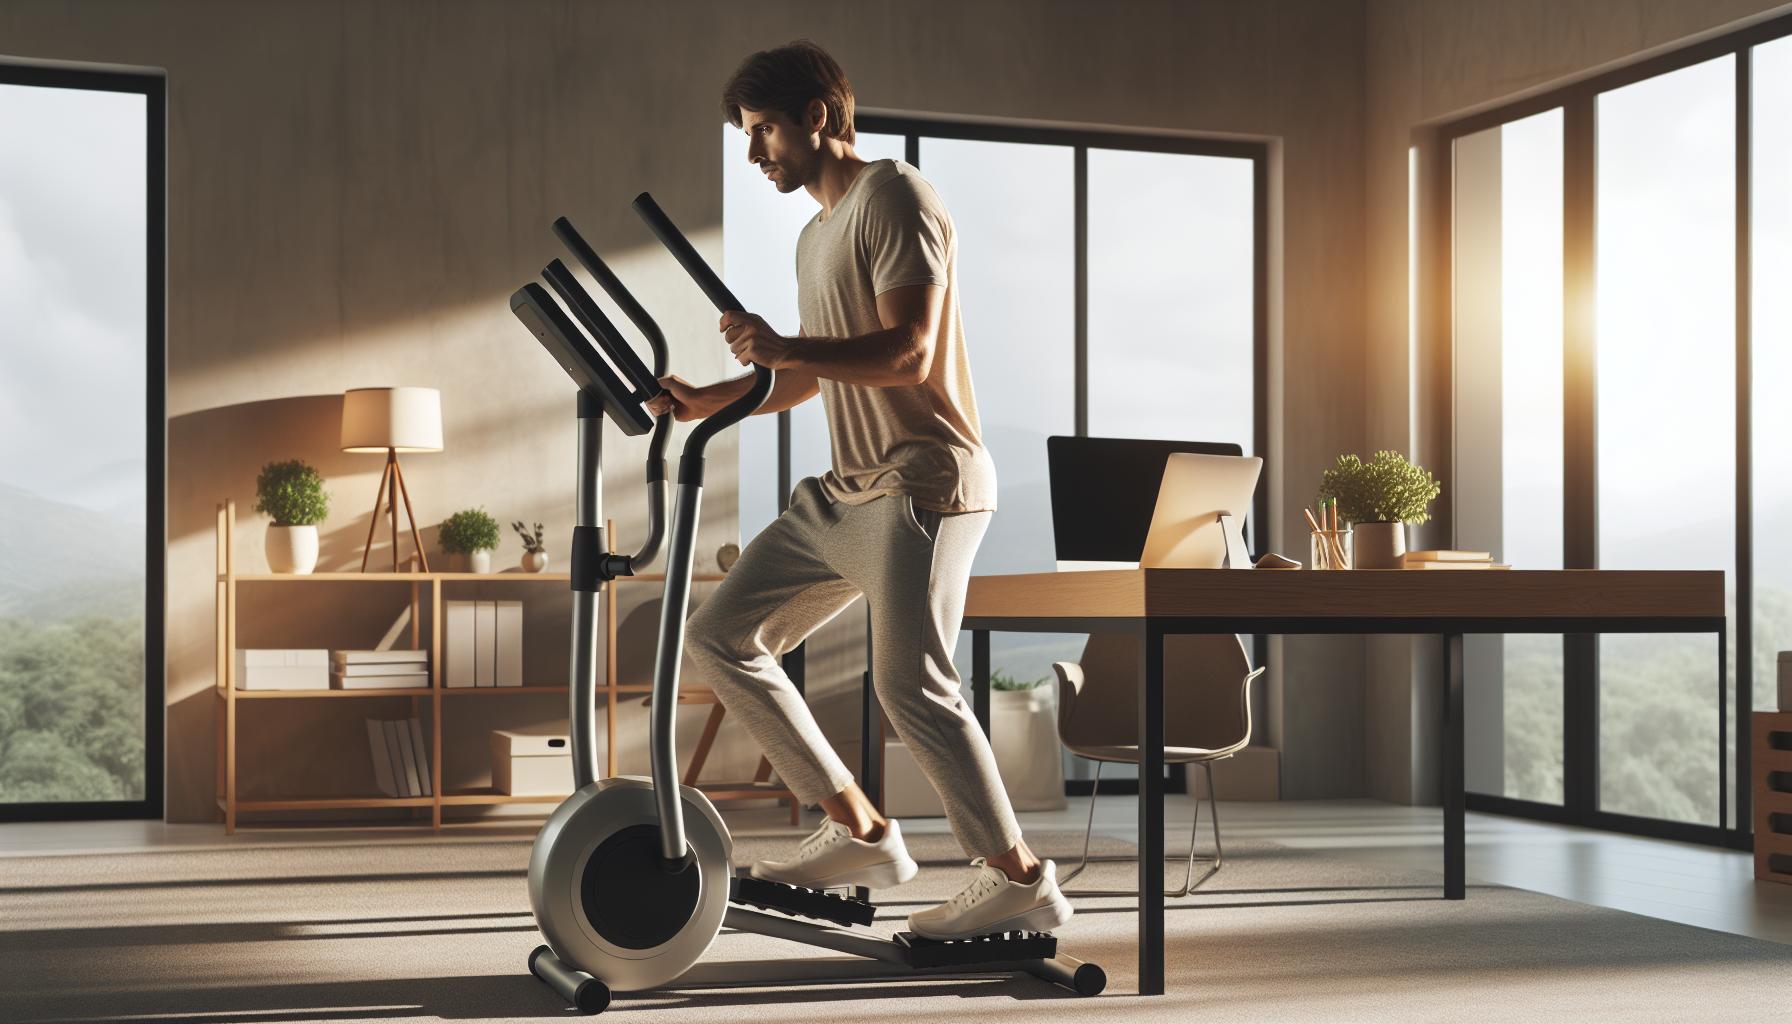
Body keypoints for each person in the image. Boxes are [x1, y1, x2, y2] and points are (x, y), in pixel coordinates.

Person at [645, 39, 1070, 941]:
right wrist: (709, 398)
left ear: (819, 116)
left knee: (913, 684)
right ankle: (861, 828)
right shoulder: (814, 234)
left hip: (925, 478)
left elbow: (906, 352)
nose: (755, 151)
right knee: (721, 634)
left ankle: (1019, 878)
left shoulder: (895, 197)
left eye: (763, 130)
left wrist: (782, 346)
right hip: (845, 493)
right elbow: (812, 372)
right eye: (746, 135)